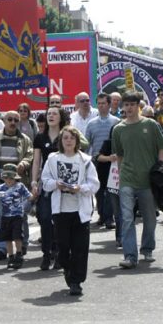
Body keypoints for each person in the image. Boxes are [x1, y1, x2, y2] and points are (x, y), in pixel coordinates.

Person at [41, 126, 100, 296]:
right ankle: (68, 269)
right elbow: (45, 181)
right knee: (64, 247)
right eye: (65, 138)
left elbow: (94, 185)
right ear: (61, 141)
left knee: (80, 247)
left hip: (80, 211)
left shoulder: (86, 160)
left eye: (71, 138)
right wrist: (56, 185)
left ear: (77, 141)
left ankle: (76, 281)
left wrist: (79, 188)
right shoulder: (53, 159)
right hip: (60, 211)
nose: (68, 141)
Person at [113, 91, 163, 269]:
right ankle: (130, 256)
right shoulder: (118, 129)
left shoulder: (151, 124)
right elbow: (119, 155)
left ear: (138, 106)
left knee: (150, 218)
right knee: (127, 218)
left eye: (132, 104)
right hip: (127, 179)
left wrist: (160, 169)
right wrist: (120, 176)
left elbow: (161, 147)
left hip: (148, 181)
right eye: (125, 105)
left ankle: (147, 248)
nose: (128, 108)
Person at [0, 110, 34, 259]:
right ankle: (1, 248)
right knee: (0, 216)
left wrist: (24, 163)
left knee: (20, 215)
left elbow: (30, 155)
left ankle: (23, 243)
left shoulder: (25, 139)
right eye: (10, 119)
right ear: (4, 121)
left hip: (18, 183)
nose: (13, 122)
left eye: (16, 120)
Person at [31, 106, 69, 270]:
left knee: (60, 220)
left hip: (64, 182)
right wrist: (34, 181)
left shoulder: (67, 135)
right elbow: (37, 161)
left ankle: (60, 253)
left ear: (61, 117)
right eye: (49, 114)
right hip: (47, 183)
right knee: (45, 218)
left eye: (54, 114)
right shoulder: (40, 137)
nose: (51, 116)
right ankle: (47, 254)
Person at [84, 92, 120, 228]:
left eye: (103, 103)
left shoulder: (116, 122)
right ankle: (102, 215)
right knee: (99, 191)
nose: (101, 106)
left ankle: (109, 218)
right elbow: (87, 143)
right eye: (98, 103)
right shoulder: (91, 124)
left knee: (111, 190)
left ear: (109, 104)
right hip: (97, 162)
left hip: (113, 161)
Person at [0, 164, 34, 269]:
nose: (9, 180)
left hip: (17, 215)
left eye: (11, 178)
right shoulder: (1, 187)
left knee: (17, 236)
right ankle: (10, 256)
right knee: (7, 238)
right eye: (6, 178)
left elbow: (29, 196)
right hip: (5, 216)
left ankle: (18, 254)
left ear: (15, 177)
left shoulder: (20, 186)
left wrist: (33, 195)